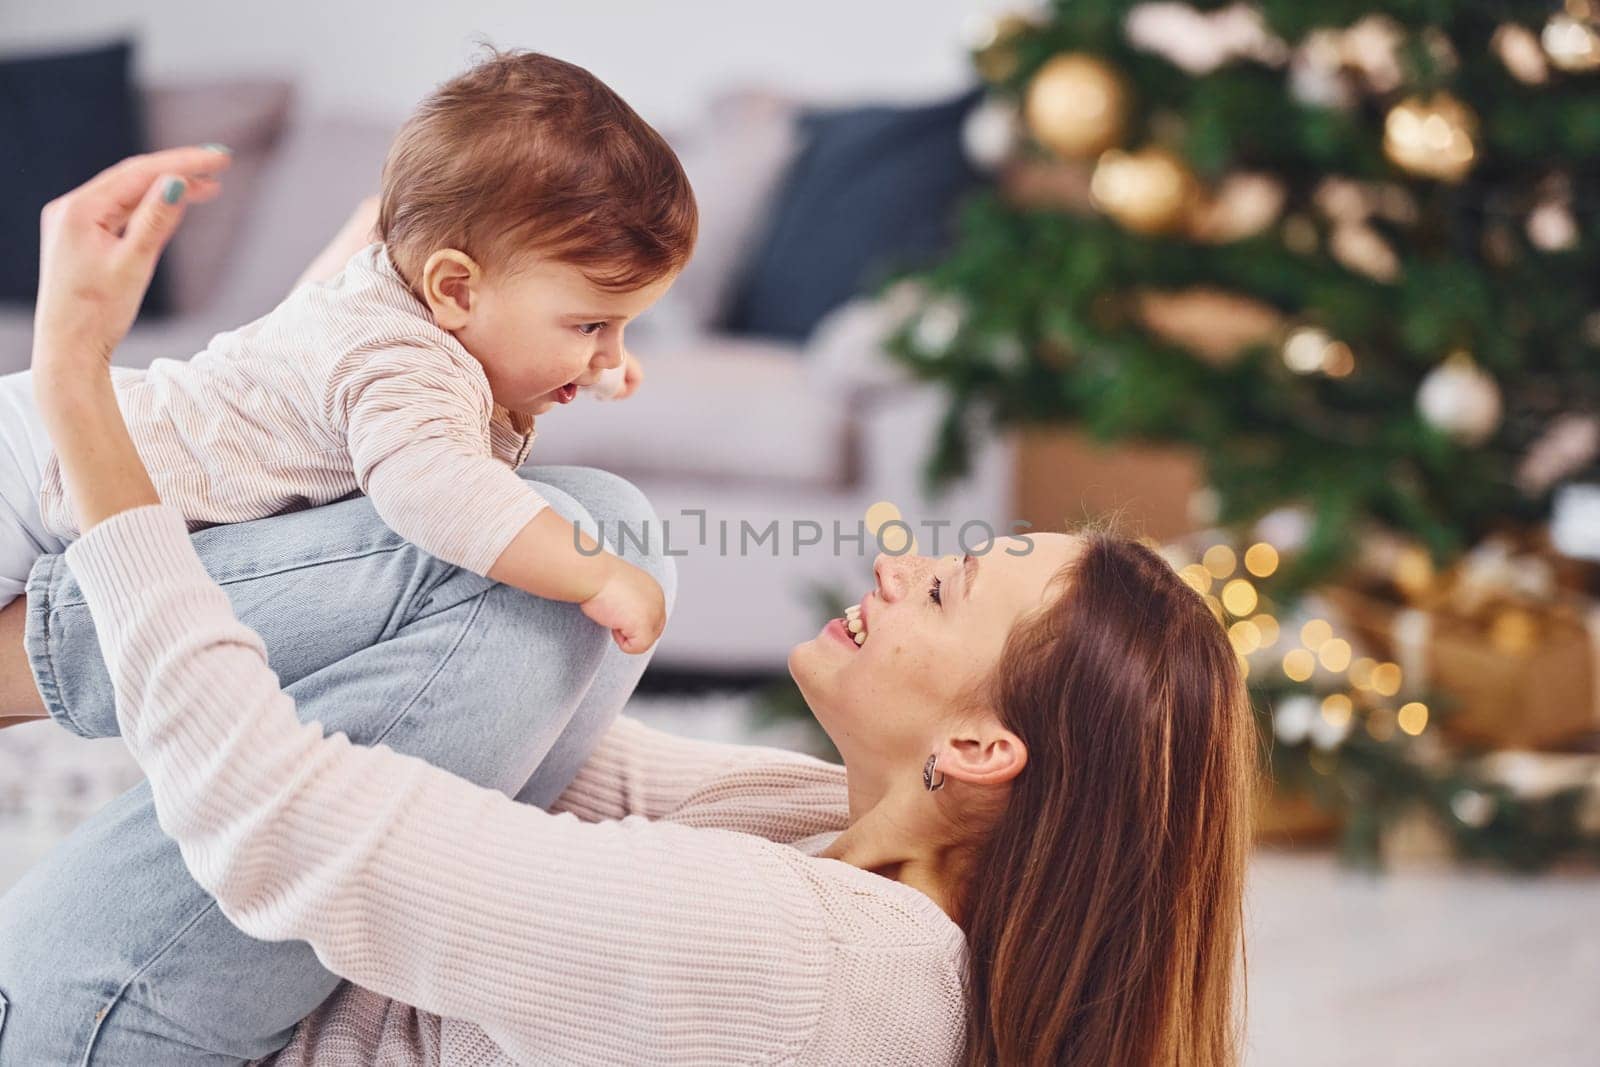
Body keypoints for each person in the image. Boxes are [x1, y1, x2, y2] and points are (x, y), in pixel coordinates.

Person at [0, 151, 1254, 1066]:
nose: (896, 568)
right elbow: (472, 693)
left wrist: (78, 394)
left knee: (584, 544)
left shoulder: (813, 967)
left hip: (119, 1025)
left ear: (980, 748)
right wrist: (454, 362)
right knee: (569, 564)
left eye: (945, 587)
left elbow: (281, 819)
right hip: (181, 1005)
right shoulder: (857, 852)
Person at [0, 49, 698, 656]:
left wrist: (584, 348)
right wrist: (600, 575)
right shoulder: (401, 356)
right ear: (454, 287)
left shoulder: (395, 288)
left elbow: (382, 217)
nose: (609, 354)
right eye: (589, 326)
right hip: (32, 472)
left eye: (622, 327)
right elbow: (441, 492)